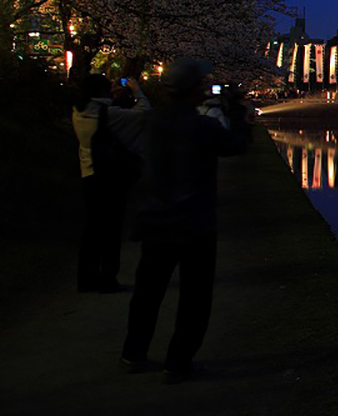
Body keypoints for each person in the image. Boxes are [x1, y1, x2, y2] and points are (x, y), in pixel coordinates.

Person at [120, 58, 251, 382]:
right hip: (195, 224)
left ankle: (133, 353)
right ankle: (178, 362)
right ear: (193, 91)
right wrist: (236, 110)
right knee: (194, 298)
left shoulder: (150, 122)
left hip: (154, 220)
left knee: (147, 293)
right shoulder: (201, 126)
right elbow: (237, 144)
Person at [72, 74, 150, 293]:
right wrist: (136, 90)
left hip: (88, 174)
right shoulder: (109, 114)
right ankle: (107, 278)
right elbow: (144, 113)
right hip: (110, 177)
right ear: (103, 91)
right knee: (112, 230)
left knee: (91, 230)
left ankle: (86, 279)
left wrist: (111, 98)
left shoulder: (79, 111)